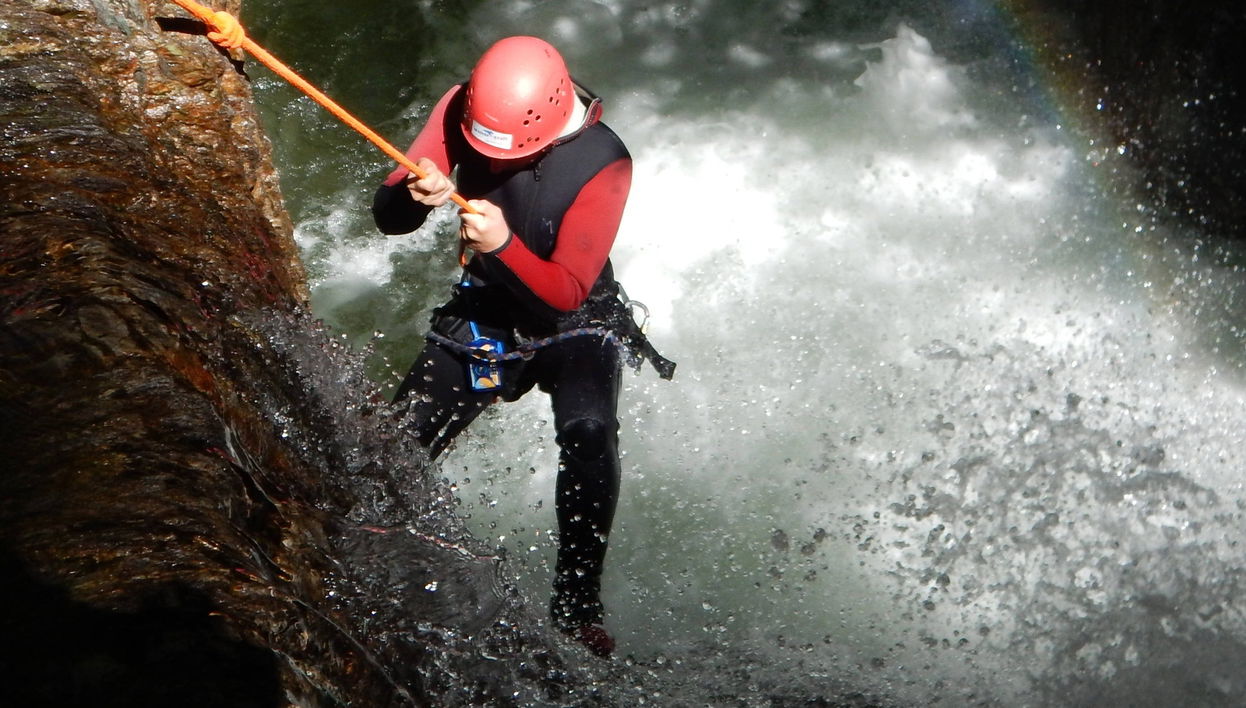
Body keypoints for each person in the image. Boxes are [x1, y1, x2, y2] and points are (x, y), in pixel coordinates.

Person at [371, 36, 673, 658]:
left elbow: (563, 293)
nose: (493, 164)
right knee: (390, 448)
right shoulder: (463, 106)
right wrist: (413, 192)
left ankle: (576, 601)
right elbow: (389, 216)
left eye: (504, 154)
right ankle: (369, 556)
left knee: (589, 431)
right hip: (487, 313)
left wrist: (504, 245)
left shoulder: (604, 158)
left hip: (576, 320)